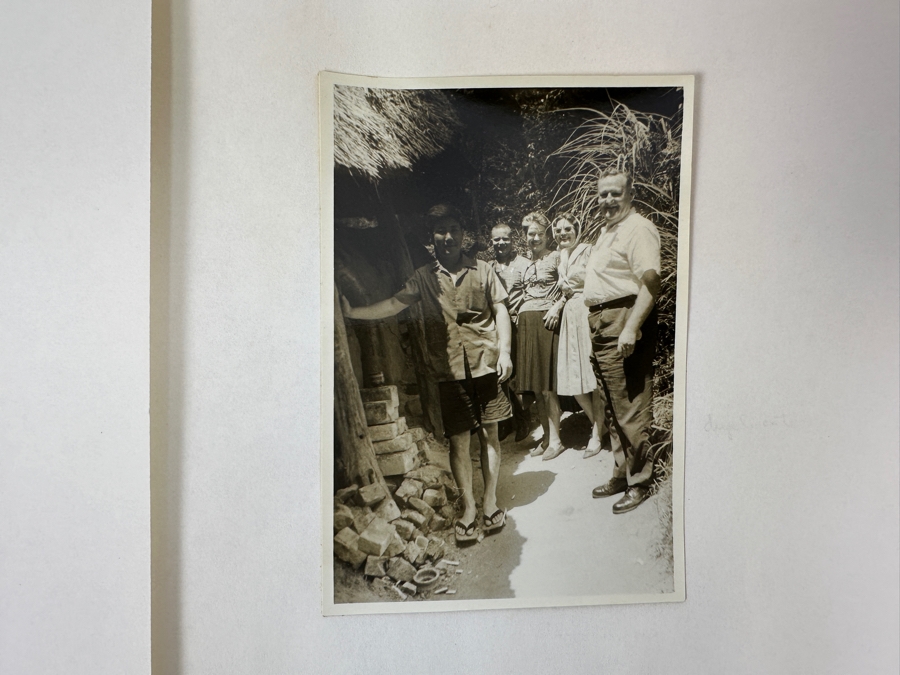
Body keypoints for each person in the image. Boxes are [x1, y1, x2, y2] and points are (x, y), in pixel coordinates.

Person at [340, 204, 512, 542]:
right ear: (431, 239)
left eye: (453, 230)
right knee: (459, 441)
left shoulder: (484, 270)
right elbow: (394, 304)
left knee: (489, 434)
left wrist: (504, 351)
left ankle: (490, 501)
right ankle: (469, 509)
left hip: (486, 365)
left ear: (464, 235)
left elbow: (502, 309)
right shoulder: (423, 276)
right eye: (440, 231)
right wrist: (355, 313)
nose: (447, 237)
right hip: (449, 370)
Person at [583, 169, 661, 514]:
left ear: (630, 194)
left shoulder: (638, 228)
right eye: (603, 195)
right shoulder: (608, 231)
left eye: (615, 193)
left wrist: (630, 327)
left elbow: (650, 282)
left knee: (630, 404)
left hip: (622, 318)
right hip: (601, 321)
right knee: (612, 406)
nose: (608, 201)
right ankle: (621, 472)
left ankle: (640, 480)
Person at [541, 213, 607, 459]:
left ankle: (597, 434)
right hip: (570, 315)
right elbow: (565, 292)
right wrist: (558, 306)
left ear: (577, 229)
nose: (562, 233)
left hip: (587, 311)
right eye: (558, 230)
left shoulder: (588, 250)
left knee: (592, 375)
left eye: (567, 229)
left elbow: (597, 283)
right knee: (574, 378)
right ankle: (599, 423)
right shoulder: (562, 256)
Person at [514, 212, 563, 460]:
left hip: (546, 320)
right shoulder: (523, 264)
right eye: (530, 234)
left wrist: (557, 306)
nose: (535, 238)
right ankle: (546, 437)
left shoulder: (556, 257)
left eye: (539, 234)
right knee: (534, 387)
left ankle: (556, 440)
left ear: (547, 235)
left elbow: (570, 287)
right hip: (526, 322)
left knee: (547, 386)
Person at [489, 223, 532, 441]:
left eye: (505, 238)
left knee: (518, 375)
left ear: (512, 239)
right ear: (491, 242)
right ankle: (506, 421)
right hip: (496, 328)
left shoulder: (524, 264)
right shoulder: (488, 268)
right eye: (496, 240)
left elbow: (531, 291)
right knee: (500, 375)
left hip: (520, 324)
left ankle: (524, 420)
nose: (501, 243)